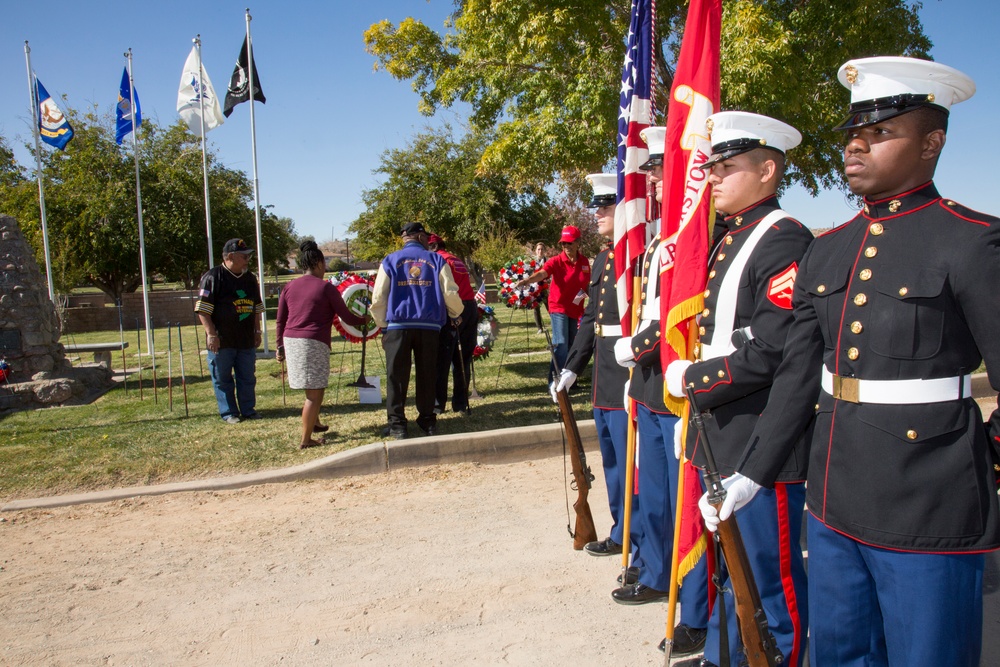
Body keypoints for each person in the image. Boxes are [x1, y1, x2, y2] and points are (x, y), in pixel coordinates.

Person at [711, 57, 1000, 667]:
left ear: (931, 143)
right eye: (852, 133)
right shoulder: (829, 249)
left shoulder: (972, 241)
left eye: (880, 132)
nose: (856, 145)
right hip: (834, 496)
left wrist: (983, 469)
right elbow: (797, 376)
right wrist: (754, 472)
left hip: (930, 496)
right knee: (841, 653)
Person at [665, 112, 813, 667]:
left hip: (759, 436)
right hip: (719, 430)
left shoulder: (782, 237)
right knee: (733, 568)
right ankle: (723, 655)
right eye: (713, 167)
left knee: (771, 580)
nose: (713, 177)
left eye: (727, 167)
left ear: (767, 170)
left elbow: (774, 349)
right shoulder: (728, 238)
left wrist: (693, 380)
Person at [611, 126, 710, 657]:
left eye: (661, 169)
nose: (650, 179)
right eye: (650, 170)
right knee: (655, 496)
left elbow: (684, 314)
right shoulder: (655, 239)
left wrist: (638, 346)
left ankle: (695, 606)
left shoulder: (698, 233)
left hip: (680, 387)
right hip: (651, 387)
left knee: (687, 507)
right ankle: (654, 571)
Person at [557, 173, 634, 559]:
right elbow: (590, 320)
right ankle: (622, 531)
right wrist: (572, 367)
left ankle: (642, 542)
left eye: (605, 207)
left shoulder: (638, 254)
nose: (597, 214)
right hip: (604, 374)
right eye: (596, 207)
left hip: (628, 372)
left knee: (634, 467)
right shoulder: (605, 257)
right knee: (612, 463)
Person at [370, 222, 464, 440]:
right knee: (427, 373)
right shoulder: (436, 260)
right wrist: (456, 313)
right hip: (429, 327)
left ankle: (397, 425)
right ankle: (427, 420)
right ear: (421, 237)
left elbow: (378, 297)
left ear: (405, 238)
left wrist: (383, 326)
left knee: (396, 376)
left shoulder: (390, 260)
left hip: (398, 326)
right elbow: (450, 292)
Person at [275, 240, 366, 449]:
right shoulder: (325, 288)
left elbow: (280, 320)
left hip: (291, 340)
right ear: (318, 263)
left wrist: (279, 346)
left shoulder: (289, 286)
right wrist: (366, 320)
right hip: (313, 342)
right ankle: (306, 440)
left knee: (316, 386)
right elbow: (347, 317)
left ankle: (314, 423)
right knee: (313, 395)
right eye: (324, 263)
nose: (325, 267)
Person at [195, 238, 264, 424]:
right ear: (231, 256)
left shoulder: (250, 279)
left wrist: (257, 331)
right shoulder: (212, 277)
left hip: (245, 340)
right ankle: (229, 412)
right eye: (244, 256)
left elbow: (256, 308)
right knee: (222, 378)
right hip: (222, 340)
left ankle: (248, 410)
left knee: (247, 377)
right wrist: (211, 334)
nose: (247, 260)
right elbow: (203, 311)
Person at [514, 226, 590, 384]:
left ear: (578, 243)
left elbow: (586, 286)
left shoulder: (584, 262)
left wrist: (578, 301)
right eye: (563, 243)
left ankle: (568, 382)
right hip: (558, 307)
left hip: (575, 309)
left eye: (569, 243)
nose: (566, 246)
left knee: (572, 345)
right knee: (561, 344)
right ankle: (553, 382)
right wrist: (528, 280)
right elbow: (543, 273)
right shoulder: (556, 261)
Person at [427, 234, 478, 416]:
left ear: (433, 246)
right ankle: (460, 403)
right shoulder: (456, 259)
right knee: (463, 359)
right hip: (470, 307)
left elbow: (444, 291)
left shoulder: (438, 260)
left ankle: (438, 404)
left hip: (454, 307)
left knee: (442, 358)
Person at [532, 242, 548, 334]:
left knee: (549, 306)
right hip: (535, 288)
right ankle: (539, 328)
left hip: (545, 288)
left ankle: (555, 325)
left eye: (542, 249)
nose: (540, 251)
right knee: (536, 308)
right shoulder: (532, 262)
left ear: (544, 251)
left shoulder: (548, 261)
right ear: (535, 251)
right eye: (538, 249)